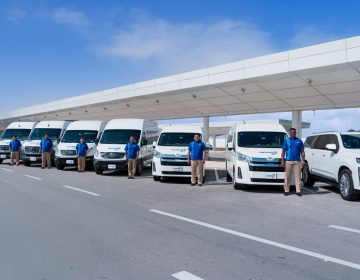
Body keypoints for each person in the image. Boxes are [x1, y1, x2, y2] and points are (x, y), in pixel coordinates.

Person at [281, 128, 305, 196]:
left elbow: (302, 152)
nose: (293, 133)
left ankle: (298, 191)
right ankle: (286, 190)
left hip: (297, 161)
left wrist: (303, 161)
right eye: (292, 132)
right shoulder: (286, 141)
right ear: (290, 133)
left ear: (296, 133)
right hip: (288, 161)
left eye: (294, 132)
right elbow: (283, 151)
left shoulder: (299, 141)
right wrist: (282, 160)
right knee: (287, 177)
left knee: (298, 177)